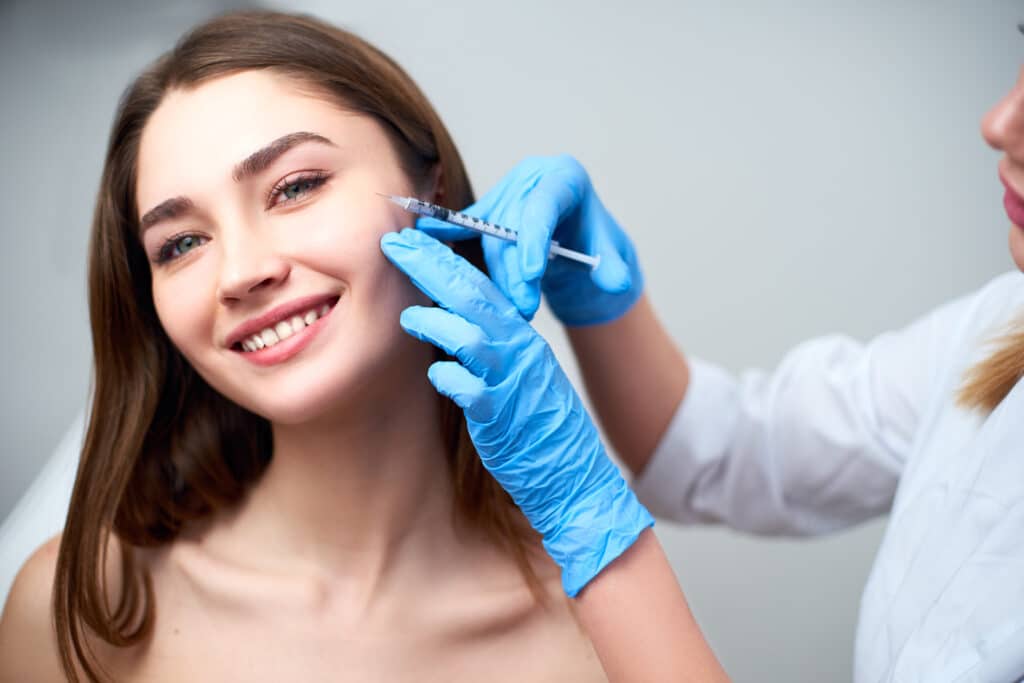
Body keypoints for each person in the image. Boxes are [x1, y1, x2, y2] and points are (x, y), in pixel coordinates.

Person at [0, 10, 729, 683]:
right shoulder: (82, 613)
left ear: (430, 196)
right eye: (182, 243)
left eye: (295, 187)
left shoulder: (609, 630)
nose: (241, 271)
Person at [404, 27, 1024, 683]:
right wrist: (596, 305)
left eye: (324, 182)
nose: (997, 124)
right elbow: (726, 449)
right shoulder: (999, 326)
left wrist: (583, 509)